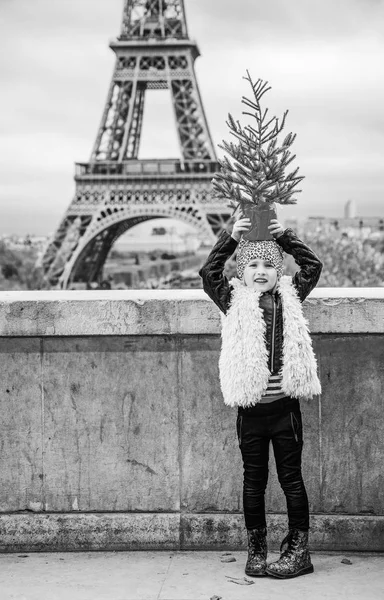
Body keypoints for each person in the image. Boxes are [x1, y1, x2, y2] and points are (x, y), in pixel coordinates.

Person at [199, 214, 323, 579]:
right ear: (240, 269)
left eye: (269, 264)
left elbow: (313, 265)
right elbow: (209, 273)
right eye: (251, 263)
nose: (260, 271)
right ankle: (256, 548)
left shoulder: (290, 296)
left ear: (279, 269)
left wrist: (283, 236)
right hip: (250, 411)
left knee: (291, 480)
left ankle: (299, 549)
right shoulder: (232, 299)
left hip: (286, 410)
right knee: (253, 481)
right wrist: (229, 238)